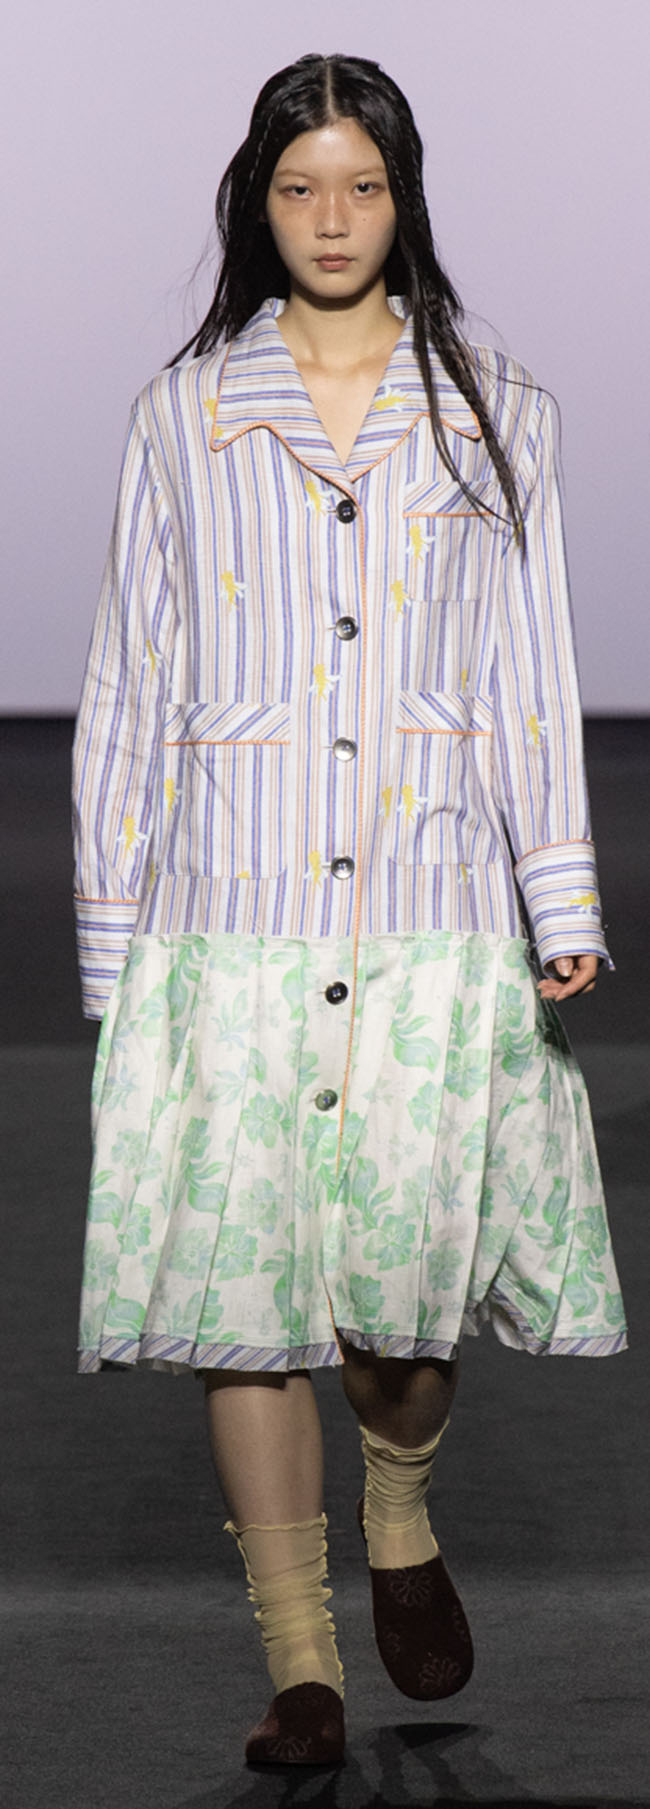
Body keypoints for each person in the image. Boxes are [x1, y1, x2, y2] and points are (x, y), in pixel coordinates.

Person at [72, 52, 627, 1769]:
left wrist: (556, 886)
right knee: (242, 1305)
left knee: (401, 1313)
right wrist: (114, 943)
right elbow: (130, 670)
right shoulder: (184, 413)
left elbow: (527, 665)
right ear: (257, 200)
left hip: (430, 913)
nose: (331, 218)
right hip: (226, 919)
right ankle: (302, 1663)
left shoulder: (494, 410)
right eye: (299, 186)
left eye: (362, 185)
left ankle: (398, 1496)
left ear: (404, 197)